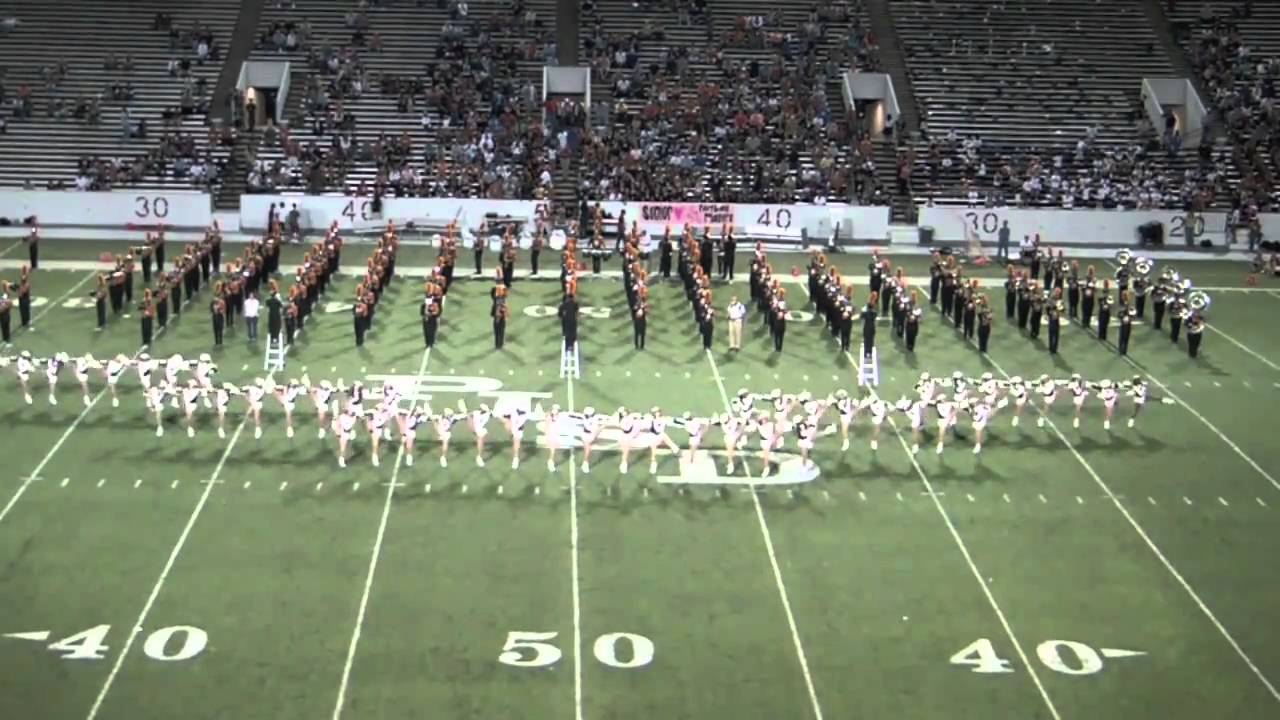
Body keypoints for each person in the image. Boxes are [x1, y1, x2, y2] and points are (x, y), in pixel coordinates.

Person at [860, 293, 878, 358]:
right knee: (870, 341)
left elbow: (861, 316)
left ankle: (866, 352)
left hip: (867, 327)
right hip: (871, 327)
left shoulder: (866, 312)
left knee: (866, 340)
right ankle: (869, 352)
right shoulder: (873, 312)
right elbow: (875, 315)